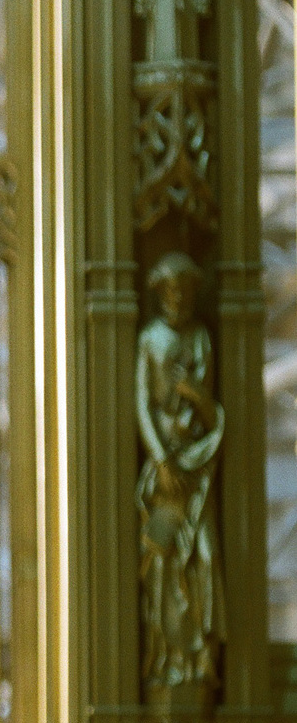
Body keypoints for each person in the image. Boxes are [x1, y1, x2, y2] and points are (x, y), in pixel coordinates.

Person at [136, 252, 222, 694]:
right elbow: (142, 405)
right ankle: (169, 657)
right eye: (169, 290)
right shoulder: (150, 338)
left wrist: (193, 392)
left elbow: (211, 414)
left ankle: (202, 654)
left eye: (184, 290)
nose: (177, 298)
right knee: (165, 568)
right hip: (165, 475)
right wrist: (162, 459)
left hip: (197, 469)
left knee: (204, 558)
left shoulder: (201, 339)